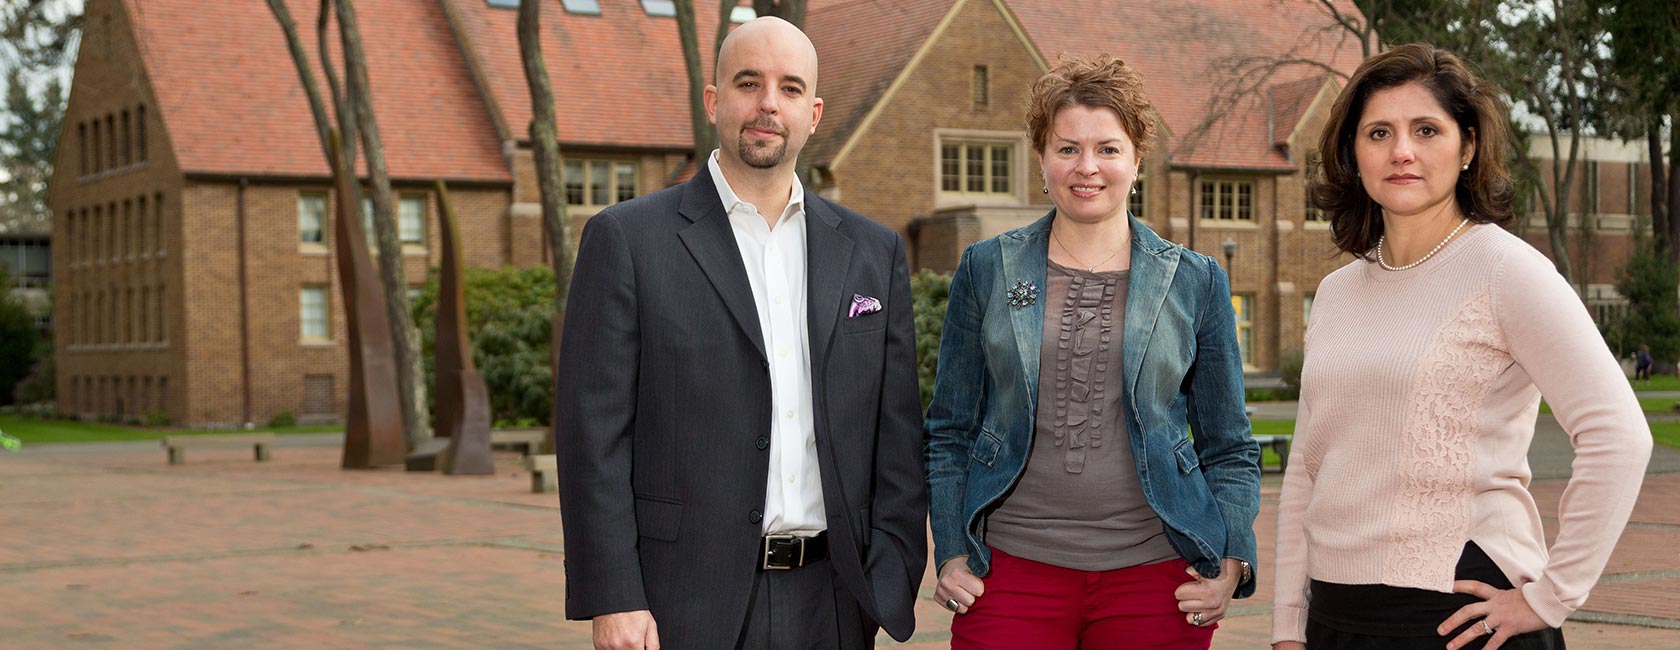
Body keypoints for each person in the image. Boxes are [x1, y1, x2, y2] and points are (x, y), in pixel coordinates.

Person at [554, 17, 926, 650]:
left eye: (788, 88)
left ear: (813, 113)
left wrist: (889, 570)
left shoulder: (873, 251)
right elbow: (593, 435)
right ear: (713, 100)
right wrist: (615, 594)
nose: (767, 104)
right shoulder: (627, 240)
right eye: (749, 83)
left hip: (835, 603)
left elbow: (897, 431)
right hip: (681, 605)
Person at [1271, 43, 1652, 650]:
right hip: (1335, 617)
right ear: (1352, 152)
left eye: (1427, 129)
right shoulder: (1338, 293)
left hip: (1461, 616)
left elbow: (1619, 435)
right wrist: (1289, 624)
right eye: (1379, 132)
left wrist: (1551, 597)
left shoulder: (1507, 270)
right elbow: (1309, 470)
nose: (1402, 151)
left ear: (1468, 146)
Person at [924, 54, 1261, 649]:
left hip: (1157, 574)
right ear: (1042, 159)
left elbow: (1229, 444)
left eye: (1107, 148)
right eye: (1067, 148)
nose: (1087, 167)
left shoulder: (1194, 280)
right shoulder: (986, 269)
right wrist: (951, 547)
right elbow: (950, 429)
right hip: (1009, 571)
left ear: (1136, 159)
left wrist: (1233, 559)